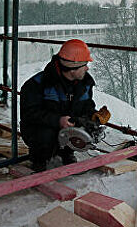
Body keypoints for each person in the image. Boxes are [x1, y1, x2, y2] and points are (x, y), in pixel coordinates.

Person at [20, 39, 96, 172]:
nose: (87, 68)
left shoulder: (85, 83)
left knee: (82, 126)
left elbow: (87, 105)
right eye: (84, 64)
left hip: (67, 128)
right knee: (45, 134)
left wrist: (94, 116)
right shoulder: (37, 85)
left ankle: (67, 153)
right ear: (72, 69)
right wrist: (58, 120)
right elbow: (29, 114)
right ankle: (39, 160)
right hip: (39, 131)